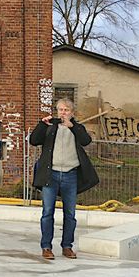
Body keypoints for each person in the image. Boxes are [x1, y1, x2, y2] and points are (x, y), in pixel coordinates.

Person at [29, 98, 99, 260]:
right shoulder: (49, 127)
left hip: (70, 174)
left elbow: (86, 141)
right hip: (50, 174)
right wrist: (41, 124)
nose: (63, 113)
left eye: (66, 110)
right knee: (47, 212)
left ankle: (67, 246)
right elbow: (34, 141)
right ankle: (46, 246)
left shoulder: (77, 127)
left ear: (72, 112)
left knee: (70, 213)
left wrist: (73, 127)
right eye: (60, 109)